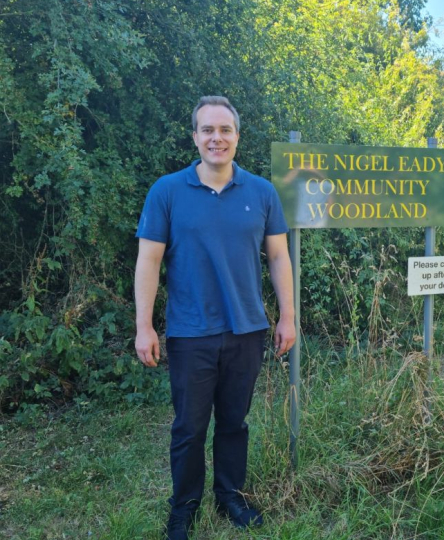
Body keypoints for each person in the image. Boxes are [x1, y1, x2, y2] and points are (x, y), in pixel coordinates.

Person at [134, 96, 295, 538]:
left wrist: (288, 317)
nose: (216, 138)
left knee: (234, 422)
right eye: (208, 130)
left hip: (247, 329)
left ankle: (230, 498)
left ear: (237, 137)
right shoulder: (166, 191)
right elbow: (148, 261)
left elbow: (279, 258)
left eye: (225, 130)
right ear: (195, 137)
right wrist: (144, 325)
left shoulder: (262, 192)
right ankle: (183, 507)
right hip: (190, 332)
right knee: (189, 427)